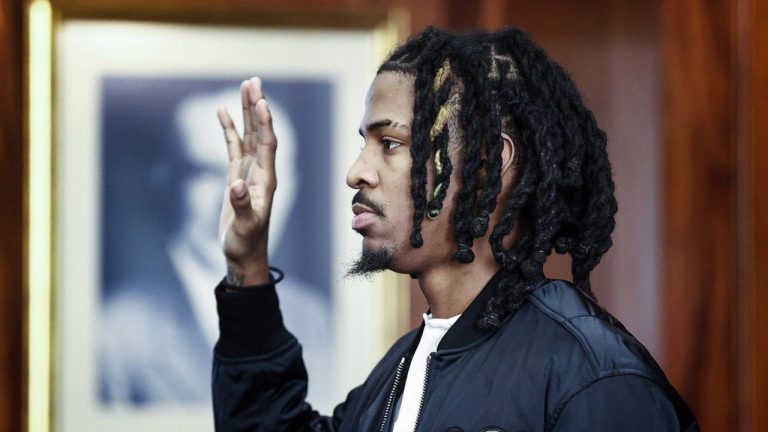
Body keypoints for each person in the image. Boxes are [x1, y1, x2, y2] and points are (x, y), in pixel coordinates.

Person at [211, 27, 699, 431]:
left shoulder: (595, 378)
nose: (356, 171)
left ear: (491, 164)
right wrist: (246, 262)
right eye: (366, 143)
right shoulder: (405, 367)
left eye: (392, 143)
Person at [99, 85, 332, 406]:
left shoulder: (315, 321)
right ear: (165, 180)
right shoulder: (114, 331)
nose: (236, 200)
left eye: (258, 179)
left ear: (289, 190)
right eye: (208, 174)